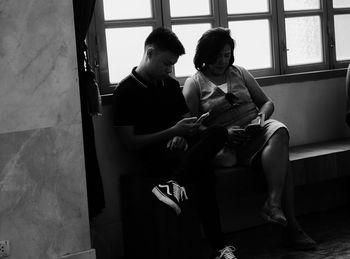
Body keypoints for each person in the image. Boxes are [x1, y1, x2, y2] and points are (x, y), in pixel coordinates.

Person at [182, 27, 316, 250]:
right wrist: (224, 134)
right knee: (279, 162)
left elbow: (266, 102)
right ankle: (292, 229)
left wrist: (261, 119)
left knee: (280, 130)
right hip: (225, 141)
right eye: (216, 56)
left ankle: (273, 204)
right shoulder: (194, 82)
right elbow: (193, 124)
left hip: (256, 131)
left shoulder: (240, 72)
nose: (222, 61)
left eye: (226, 55)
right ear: (204, 54)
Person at [113, 27, 237, 259]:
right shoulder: (126, 90)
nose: (169, 70)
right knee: (204, 173)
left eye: (172, 65)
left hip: (183, 151)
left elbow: (183, 120)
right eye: (165, 63)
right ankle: (219, 247)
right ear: (149, 53)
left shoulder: (169, 85)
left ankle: (173, 187)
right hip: (155, 155)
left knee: (218, 131)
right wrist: (172, 132)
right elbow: (129, 143)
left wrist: (184, 132)